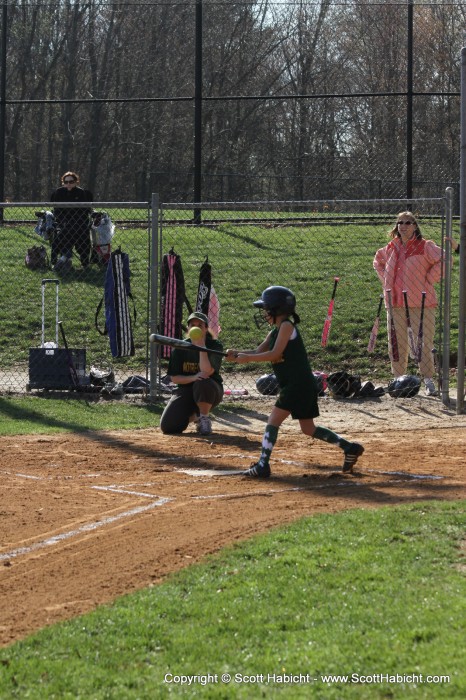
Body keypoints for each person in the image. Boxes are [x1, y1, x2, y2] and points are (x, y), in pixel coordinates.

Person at [225, 286, 364, 478]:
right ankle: (350, 448)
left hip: (297, 384)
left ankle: (263, 465)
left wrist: (246, 359)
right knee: (308, 428)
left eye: (266, 309)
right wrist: (237, 354)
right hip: (300, 384)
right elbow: (258, 351)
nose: (264, 313)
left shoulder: (286, 327)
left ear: (276, 309)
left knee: (273, 421)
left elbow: (275, 354)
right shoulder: (275, 331)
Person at [373, 211, 446, 397]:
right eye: (400, 223)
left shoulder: (425, 246)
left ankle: (428, 380)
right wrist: (386, 282)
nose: (403, 226)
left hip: (421, 301)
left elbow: (445, 259)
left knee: (423, 341)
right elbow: (377, 262)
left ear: (415, 226)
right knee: (397, 342)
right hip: (395, 301)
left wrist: (430, 278)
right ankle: (399, 380)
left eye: (407, 222)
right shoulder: (390, 248)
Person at [160, 312, 224, 436]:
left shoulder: (214, 346)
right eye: (192, 325)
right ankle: (196, 416)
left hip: (210, 390)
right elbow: (175, 378)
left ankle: (204, 418)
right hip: (187, 390)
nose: (196, 327)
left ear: (206, 328)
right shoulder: (180, 347)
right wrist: (193, 377)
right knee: (168, 426)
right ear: (188, 329)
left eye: (200, 325)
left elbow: (206, 372)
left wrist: (201, 347)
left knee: (202, 380)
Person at [50, 171, 93, 269]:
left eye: (71, 182)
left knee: (82, 235)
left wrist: (76, 221)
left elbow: (84, 210)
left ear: (76, 182)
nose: (68, 184)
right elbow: (57, 210)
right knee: (61, 233)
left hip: (79, 221)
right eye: (66, 182)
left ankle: (84, 262)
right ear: (63, 182)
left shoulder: (81, 192)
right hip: (63, 221)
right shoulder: (59, 192)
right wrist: (63, 220)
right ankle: (59, 259)